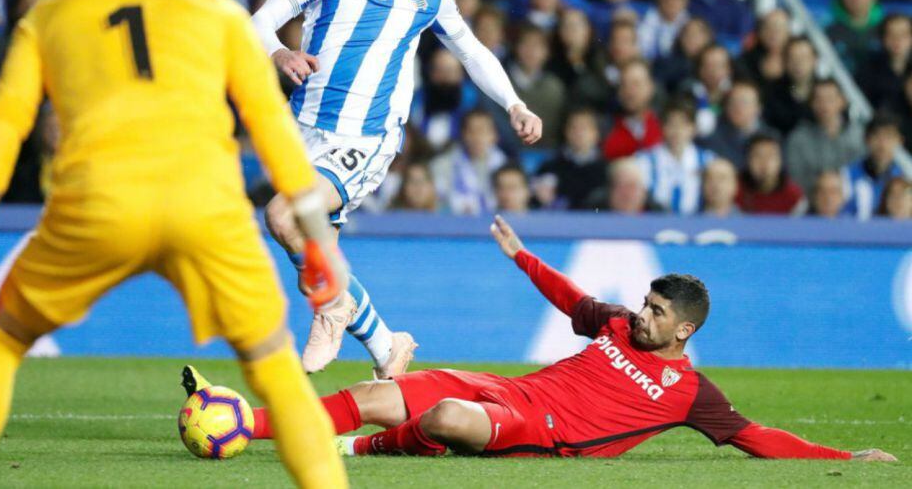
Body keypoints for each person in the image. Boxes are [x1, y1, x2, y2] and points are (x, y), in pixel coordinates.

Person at [0, 0, 349, 489]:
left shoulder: (51, 14)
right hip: (204, 210)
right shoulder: (218, 13)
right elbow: (274, 134)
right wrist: (319, 241)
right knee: (276, 370)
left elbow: (0, 134)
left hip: (95, 206)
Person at [236, 216, 897, 462]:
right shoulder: (617, 324)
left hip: (544, 431)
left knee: (443, 417)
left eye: (656, 312)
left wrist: (845, 455)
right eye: (646, 303)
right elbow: (571, 300)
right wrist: (521, 256)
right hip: (510, 390)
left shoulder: (691, 393)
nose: (642, 316)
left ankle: (362, 449)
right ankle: (245, 426)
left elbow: (757, 438)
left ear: (684, 330)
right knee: (373, 394)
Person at [251, 0, 542, 377]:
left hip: (366, 137)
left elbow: (472, 51)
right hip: (302, 129)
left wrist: (514, 103)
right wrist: (278, 52)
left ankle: (331, 306)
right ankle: (388, 348)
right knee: (316, 251)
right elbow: (258, 21)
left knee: (284, 216)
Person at [636, 98, 715, 216]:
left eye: (683, 124)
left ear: (694, 128)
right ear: (662, 127)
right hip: (654, 222)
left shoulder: (708, 161)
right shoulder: (643, 161)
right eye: (671, 124)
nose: (677, 130)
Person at [785, 79, 865, 191]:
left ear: (843, 101)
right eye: (818, 99)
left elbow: (864, 176)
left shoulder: (859, 136)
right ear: (811, 103)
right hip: (812, 199)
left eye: (830, 99)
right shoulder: (798, 139)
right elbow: (795, 180)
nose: (824, 105)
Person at [430, 108, 509, 215]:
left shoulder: (505, 167)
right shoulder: (442, 165)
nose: (477, 137)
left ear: (494, 136)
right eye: (472, 131)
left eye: (483, 131)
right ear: (462, 134)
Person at [535, 107, 607, 210]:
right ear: (566, 131)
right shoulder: (550, 166)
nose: (578, 133)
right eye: (574, 127)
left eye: (584, 128)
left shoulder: (607, 169)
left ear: (596, 133)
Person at [840, 113, 907, 220]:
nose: (882, 143)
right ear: (866, 139)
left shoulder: (905, 178)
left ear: (900, 141)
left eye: (888, 136)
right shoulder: (846, 175)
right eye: (877, 136)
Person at [603, 60, 662, 160]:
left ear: (650, 88)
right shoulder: (604, 130)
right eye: (624, 85)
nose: (629, 91)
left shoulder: (666, 126)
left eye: (636, 84)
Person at [736, 131, 805, 215]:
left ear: (781, 161)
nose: (764, 162)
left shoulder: (793, 195)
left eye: (770, 156)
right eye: (757, 156)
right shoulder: (735, 190)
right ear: (747, 160)